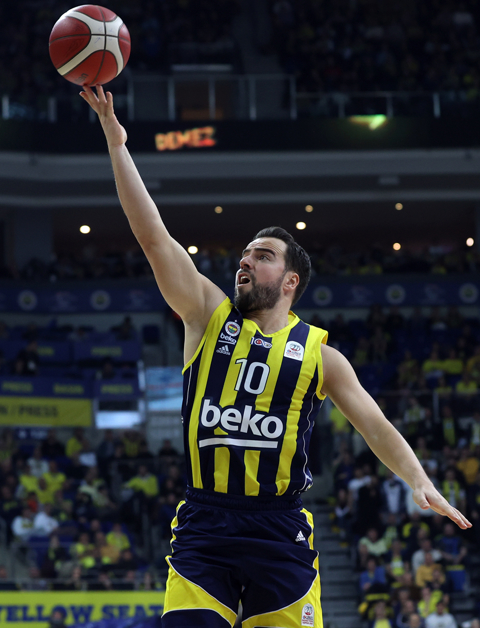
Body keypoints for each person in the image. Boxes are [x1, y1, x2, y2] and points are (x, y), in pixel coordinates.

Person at [80, 84, 472, 628]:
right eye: (243, 255)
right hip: (205, 524)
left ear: (290, 282)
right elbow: (154, 238)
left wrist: (418, 479)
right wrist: (116, 142)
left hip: (279, 529)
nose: (244, 262)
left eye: (261, 256)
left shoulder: (320, 354)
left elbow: (375, 425)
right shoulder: (206, 315)